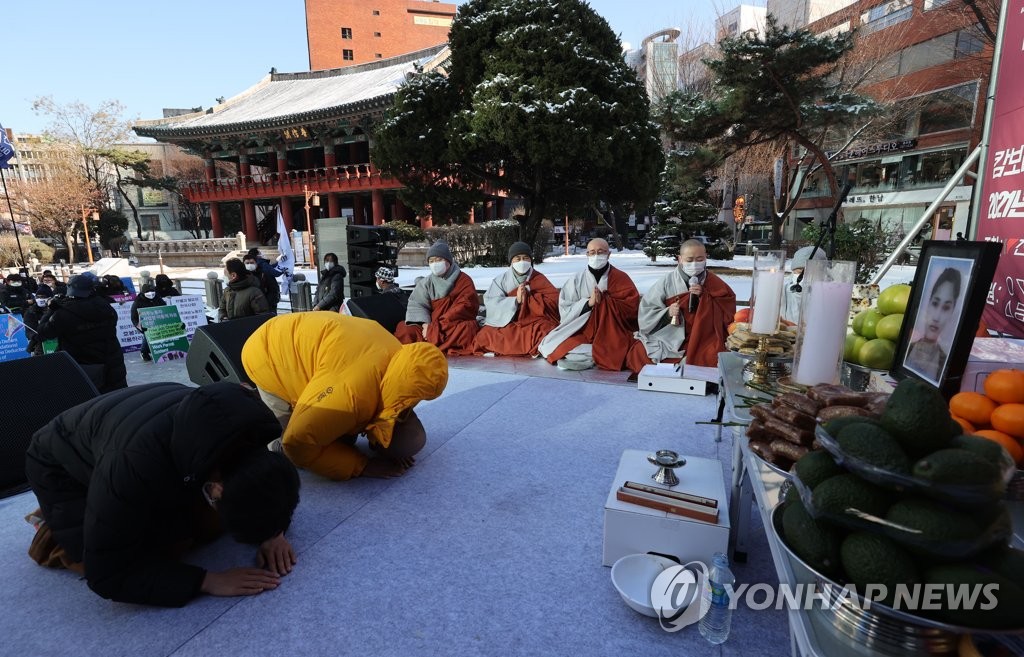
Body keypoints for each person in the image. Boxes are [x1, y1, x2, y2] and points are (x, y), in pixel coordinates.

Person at [24, 382, 300, 607]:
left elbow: (265, 483)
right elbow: (107, 576)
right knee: (142, 553)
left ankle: (101, 505)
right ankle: (51, 526)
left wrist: (273, 532)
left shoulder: (249, 431)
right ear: (216, 489)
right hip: (61, 466)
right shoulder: (133, 465)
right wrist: (207, 581)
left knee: (204, 526)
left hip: (132, 437)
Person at [241, 313, 449, 481]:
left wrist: (389, 434)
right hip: (268, 355)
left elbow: (394, 402)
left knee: (337, 434)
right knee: (292, 446)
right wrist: (363, 465)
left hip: (297, 338)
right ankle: (256, 409)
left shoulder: (402, 360)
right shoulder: (352, 396)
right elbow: (298, 444)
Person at [626, 240, 736, 373]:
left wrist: (706, 298)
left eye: (699, 259)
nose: (695, 263)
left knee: (715, 355)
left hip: (704, 336)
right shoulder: (666, 282)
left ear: (706, 257)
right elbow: (647, 312)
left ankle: (684, 363)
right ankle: (683, 364)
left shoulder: (716, 283)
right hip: (670, 336)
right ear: (680, 259)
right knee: (638, 352)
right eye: (689, 260)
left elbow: (728, 315)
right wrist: (667, 313)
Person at [537, 238, 640, 371]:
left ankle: (590, 355)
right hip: (583, 330)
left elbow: (632, 309)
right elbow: (565, 309)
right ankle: (594, 354)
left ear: (609, 254)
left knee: (621, 347)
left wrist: (606, 302)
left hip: (612, 332)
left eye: (601, 252)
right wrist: (588, 304)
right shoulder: (576, 280)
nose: (596, 256)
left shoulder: (621, 278)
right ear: (587, 255)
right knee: (549, 343)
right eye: (592, 252)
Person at [35, 273, 127, 393]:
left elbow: (43, 332)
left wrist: (51, 309)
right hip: (113, 361)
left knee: (92, 404)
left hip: (84, 366)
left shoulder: (63, 313)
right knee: (118, 400)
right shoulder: (105, 305)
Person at [473, 241, 559, 357]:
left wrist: (530, 298)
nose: (522, 262)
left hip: (533, 321)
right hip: (508, 322)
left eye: (526, 258)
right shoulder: (501, 280)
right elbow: (492, 303)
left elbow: (553, 301)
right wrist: (515, 300)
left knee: (546, 329)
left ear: (531, 260)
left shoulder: (539, 278)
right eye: (517, 259)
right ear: (511, 261)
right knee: (485, 335)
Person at [393, 241, 479, 354]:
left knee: (467, 329)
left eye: (438, 260)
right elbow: (417, 304)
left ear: (448, 261)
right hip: (429, 324)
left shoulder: (463, 280)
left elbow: (465, 305)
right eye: (431, 261)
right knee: (405, 328)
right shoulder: (426, 283)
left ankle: (429, 344)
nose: (435, 264)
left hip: (450, 324)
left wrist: (437, 326)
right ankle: (413, 351)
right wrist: (425, 325)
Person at [905, 267, 961, 383]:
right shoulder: (904, 351)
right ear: (928, 303)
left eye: (946, 308)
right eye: (935, 304)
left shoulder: (947, 363)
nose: (936, 317)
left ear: (952, 312)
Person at [781, 245, 827, 324]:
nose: (804, 276)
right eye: (799, 272)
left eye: (810, 272)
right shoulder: (781, 290)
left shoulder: (827, 295)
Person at [130, 282, 166, 362]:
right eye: (148, 292)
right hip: (144, 324)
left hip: (158, 321)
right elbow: (134, 317)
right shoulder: (138, 301)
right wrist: (138, 326)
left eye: (152, 291)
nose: (151, 293)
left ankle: (156, 349)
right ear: (143, 292)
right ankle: (144, 352)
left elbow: (165, 308)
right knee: (148, 334)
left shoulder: (158, 298)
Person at [23, 287, 53, 356]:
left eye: (43, 297)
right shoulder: (31, 312)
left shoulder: (56, 309)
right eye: (38, 297)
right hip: (39, 344)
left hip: (58, 342)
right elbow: (29, 331)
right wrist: (35, 336)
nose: (40, 299)